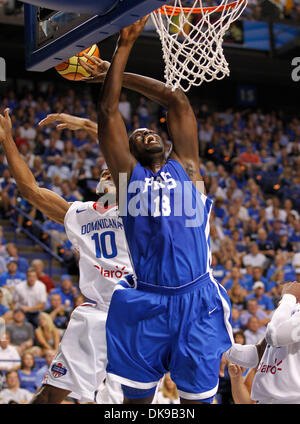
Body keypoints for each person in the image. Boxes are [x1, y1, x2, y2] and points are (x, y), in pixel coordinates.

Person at [92, 17, 233, 404]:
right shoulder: (128, 179)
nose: (146, 133)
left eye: (150, 131)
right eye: (137, 137)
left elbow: (177, 101)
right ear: (130, 153)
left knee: (198, 401)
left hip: (197, 300)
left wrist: (112, 71)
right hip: (148, 303)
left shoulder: (187, 169)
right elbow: (107, 114)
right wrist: (120, 50)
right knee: (134, 405)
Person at [0, 109, 133, 404]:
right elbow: (31, 191)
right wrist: (7, 139)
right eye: (103, 173)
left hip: (138, 312)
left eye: (114, 171)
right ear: (98, 186)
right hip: (97, 314)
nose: (108, 174)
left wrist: (85, 124)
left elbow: (120, 149)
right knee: (49, 395)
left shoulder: (138, 207)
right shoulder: (80, 213)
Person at [226, 282, 300, 404]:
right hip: (265, 400)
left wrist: (288, 297)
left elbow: (275, 335)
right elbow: (261, 353)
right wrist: (224, 349)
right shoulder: (289, 311)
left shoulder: (287, 305)